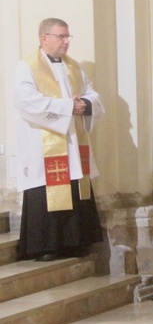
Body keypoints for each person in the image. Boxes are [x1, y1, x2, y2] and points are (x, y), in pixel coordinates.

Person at [13, 18, 105, 261]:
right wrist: (66, 107)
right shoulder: (27, 67)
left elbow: (91, 93)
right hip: (45, 143)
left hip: (73, 142)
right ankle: (46, 246)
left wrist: (85, 104)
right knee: (47, 189)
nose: (66, 41)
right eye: (61, 36)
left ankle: (74, 242)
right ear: (44, 38)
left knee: (75, 185)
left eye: (67, 37)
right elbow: (26, 102)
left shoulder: (73, 67)